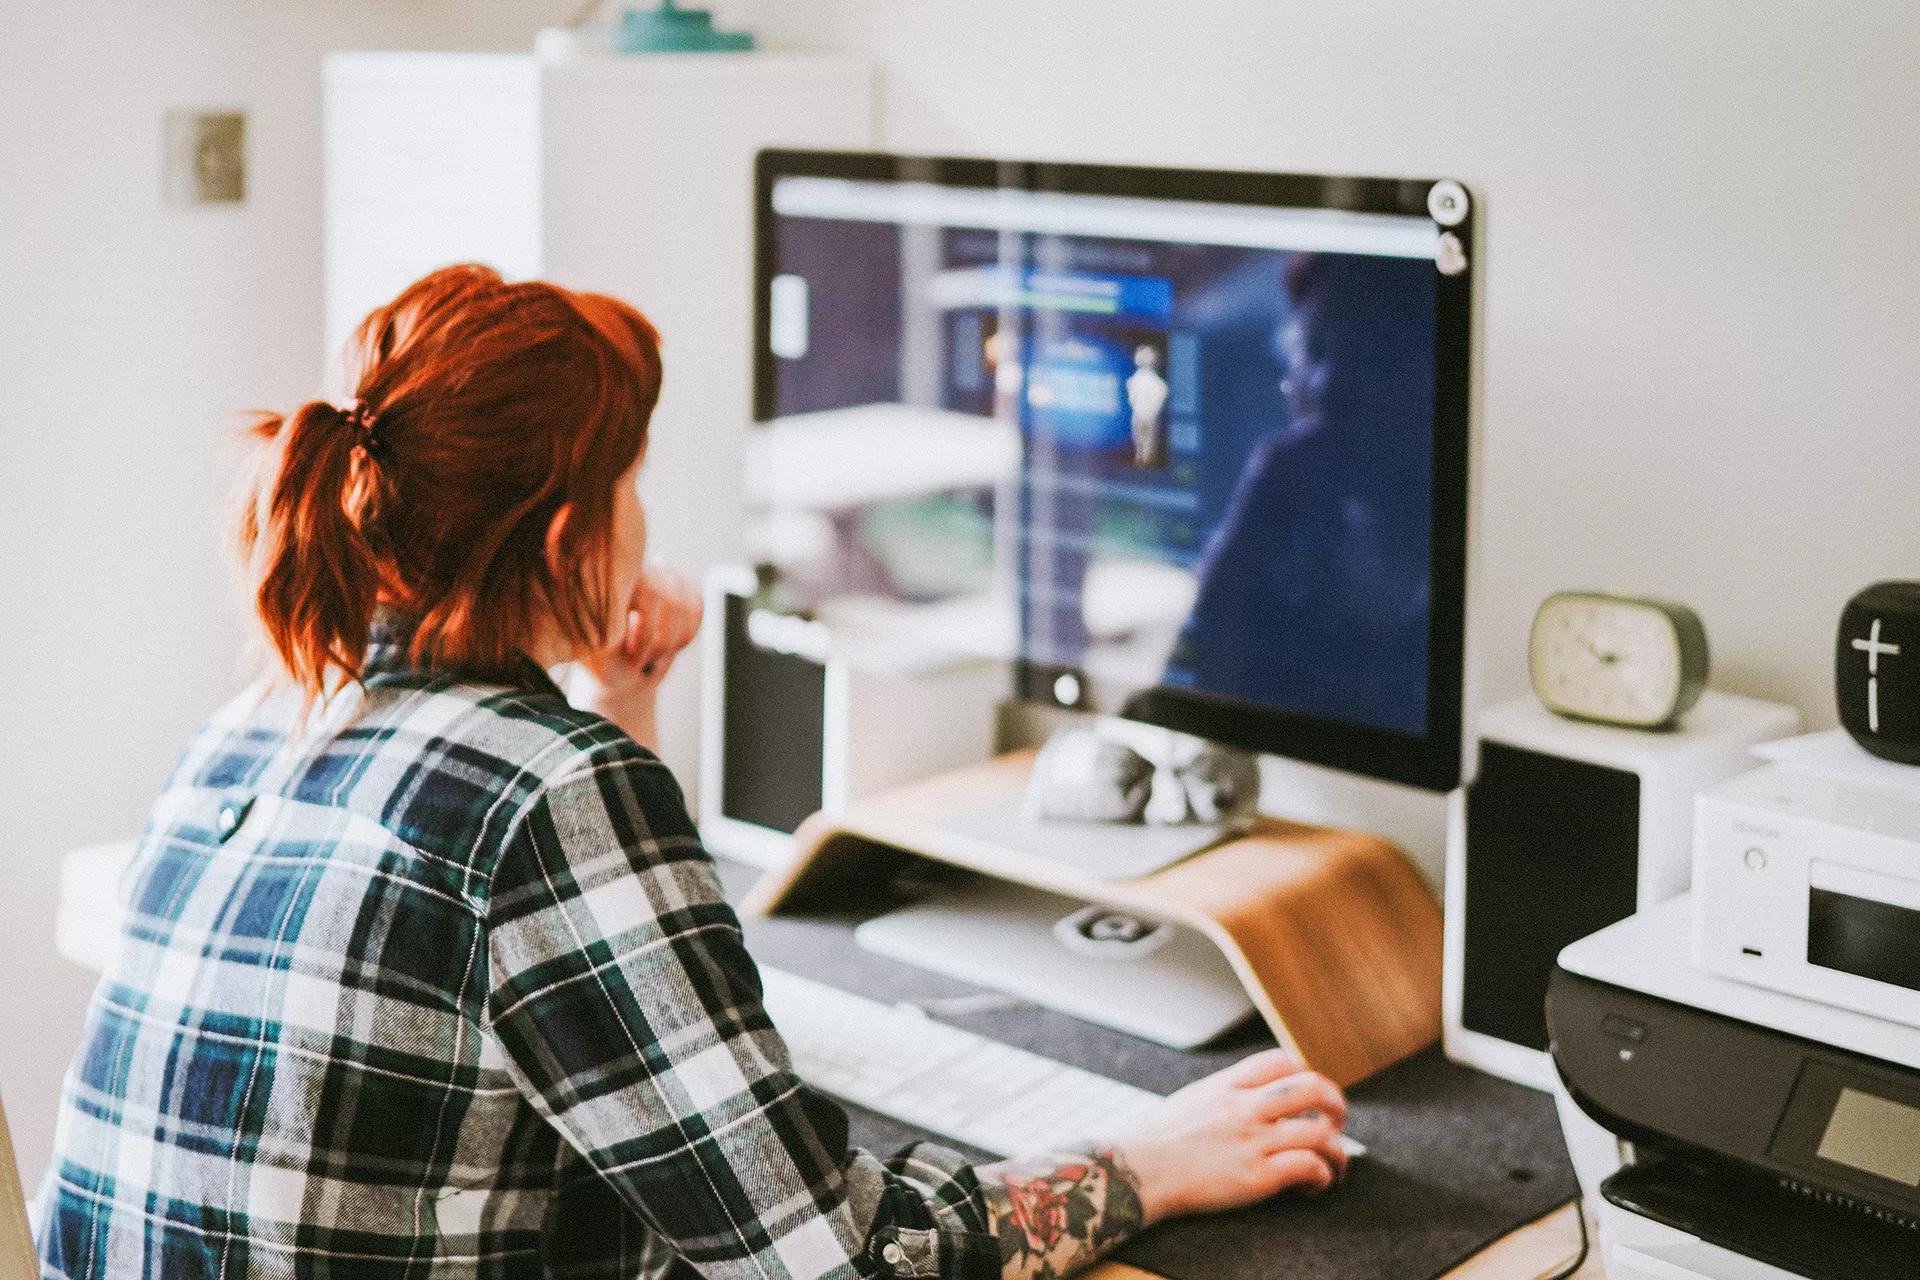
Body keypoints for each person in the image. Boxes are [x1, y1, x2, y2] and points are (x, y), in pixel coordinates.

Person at [38, 265, 1350, 1280]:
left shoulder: (263, 715)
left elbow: (596, 1017)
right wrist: (1150, 1164)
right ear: (571, 535)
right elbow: (834, 1259)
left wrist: (624, 703)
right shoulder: (545, 792)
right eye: (633, 483)